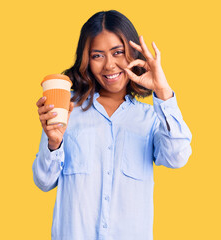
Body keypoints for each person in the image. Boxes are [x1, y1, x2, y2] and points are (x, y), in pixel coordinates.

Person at [33, 10, 192, 240]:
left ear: (133, 54)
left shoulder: (150, 119)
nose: (109, 65)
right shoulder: (67, 110)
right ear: (86, 60)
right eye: (97, 55)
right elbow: (44, 182)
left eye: (118, 52)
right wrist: (54, 143)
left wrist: (162, 89)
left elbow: (178, 157)